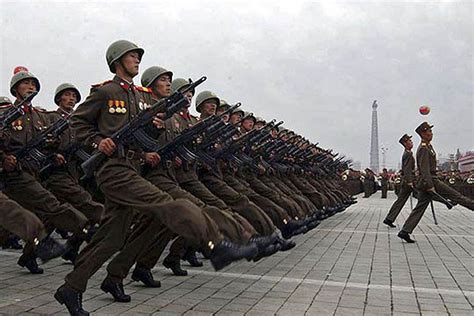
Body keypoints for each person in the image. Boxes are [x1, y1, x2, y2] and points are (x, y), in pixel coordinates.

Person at [54, 40, 257, 316]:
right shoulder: (106, 91)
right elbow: (77, 122)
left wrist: (153, 130)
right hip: (113, 170)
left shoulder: (138, 97)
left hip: (132, 167)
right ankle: (216, 245)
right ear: (117, 60)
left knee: (111, 238)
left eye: (138, 56)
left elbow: (144, 138)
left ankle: (72, 288)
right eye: (132, 56)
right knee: (166, 203)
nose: (137, 59)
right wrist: (97, 142)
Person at [398, 122, 474, 243]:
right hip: (431, 180)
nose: (431, 134)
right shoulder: (423, 148)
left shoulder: (427, 146)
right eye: (429, 131)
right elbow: (424, 170)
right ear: (423, 133)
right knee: (457, 196)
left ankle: (405, 231)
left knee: (420, 207)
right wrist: (430, 185)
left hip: (427, 181)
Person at [383, 134, 414, 227]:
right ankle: (446, 201)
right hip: (408, 180)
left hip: (407, 179)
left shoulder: (408, 153)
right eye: (409, 141)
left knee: (400, 200)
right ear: (405, 143)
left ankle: (389, 218)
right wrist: (409, 181)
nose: (411, 142)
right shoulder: (408, 154)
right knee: (426, 195)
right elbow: (408, 169)